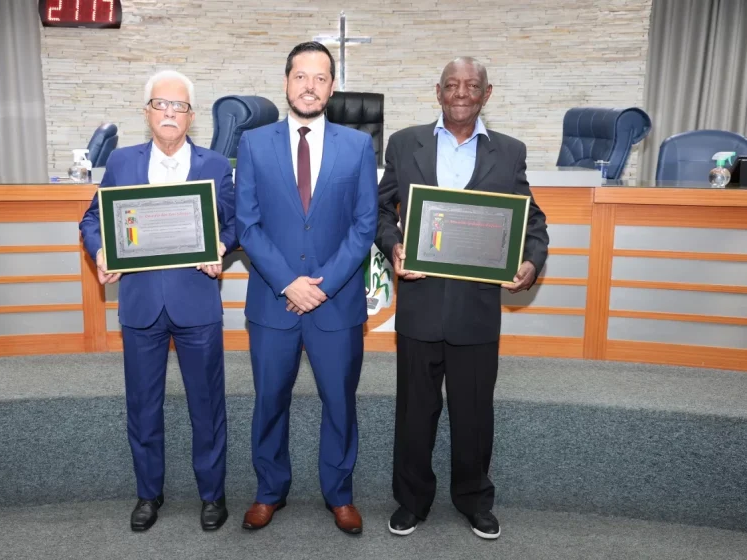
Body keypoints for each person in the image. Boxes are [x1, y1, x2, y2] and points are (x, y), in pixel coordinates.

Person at [375, 57, 549, 540]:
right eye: (452, 85)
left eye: (472, 86)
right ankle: (411, 500)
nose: (461, 93)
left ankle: (473, 499)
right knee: (415, 412)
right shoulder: (404, 143)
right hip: (420, 305)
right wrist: (394, 246)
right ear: (438, 92)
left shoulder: (510, 152)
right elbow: (379, 210)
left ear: (486, 95)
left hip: (476, 311)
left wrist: (531, 262)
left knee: (474, 415)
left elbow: (532, 222)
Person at [79, 70, 237, 533]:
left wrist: (222, 249)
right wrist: (101, 251)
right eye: (161, 105)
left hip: (196, 304)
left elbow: (231, 224)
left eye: (180, 107)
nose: (170, 113)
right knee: (143, 406)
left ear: (191, 117)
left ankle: (213, 494)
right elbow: (92, 220)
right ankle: (149, 493)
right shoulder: (123, 163)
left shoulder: (214, 165)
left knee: (207, 406)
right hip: (142, 304)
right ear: (147, 111)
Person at [234, 41, 378, 535]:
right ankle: (269, 491)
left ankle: (339, 494)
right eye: (301, 76)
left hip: (335, 305)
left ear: (332, 87)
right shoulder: (253, 143)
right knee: (269, 400)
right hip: (273, 303)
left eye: (320, 78)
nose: (310, 86)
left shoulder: (358, 146)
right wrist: (287, 283)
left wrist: (323, 285)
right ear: (286, 82)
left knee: (340, 403)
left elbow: (364, 225)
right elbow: (247, 226)